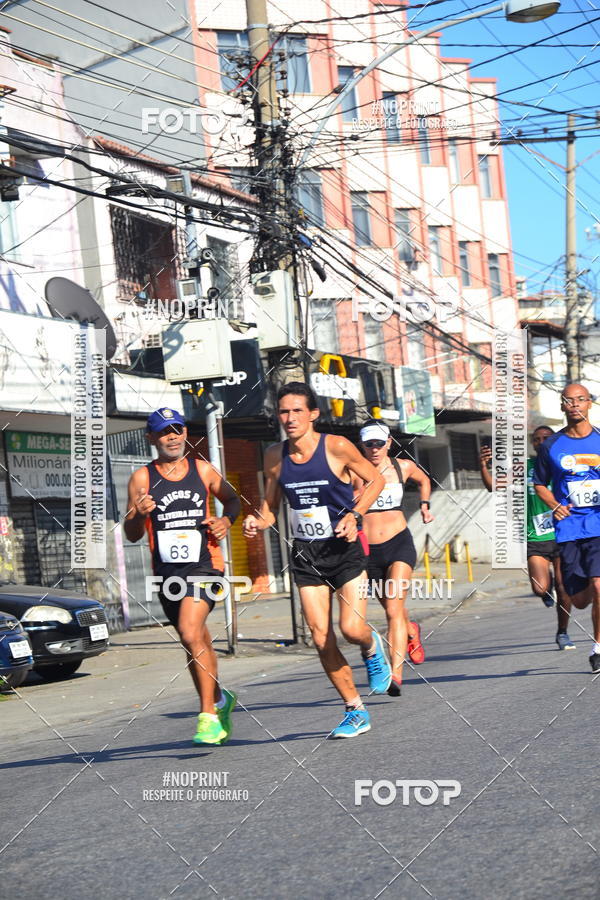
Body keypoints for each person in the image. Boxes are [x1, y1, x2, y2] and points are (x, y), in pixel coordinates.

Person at [242, 382, 390, 739]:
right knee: (321, 637)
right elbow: (271, 507)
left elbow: (375, 481)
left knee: (351, 629)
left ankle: (371, 646)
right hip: (306, 555)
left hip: (343, 549)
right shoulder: (274, 456)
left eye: (296, 411)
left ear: (312, 414)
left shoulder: (336, 447)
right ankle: (354, 709)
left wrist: (354, 515)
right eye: (283, 412)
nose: (289, 418)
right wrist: (256, 521)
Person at [124, 407, 241, 744]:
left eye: (177, 429)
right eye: (164, 431)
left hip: (206, 566)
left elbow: (232, 500)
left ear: (186, 434)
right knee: (195, 640)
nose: (172, 436)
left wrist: (225, 522)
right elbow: (132, 533)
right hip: (167, 573)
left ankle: (206, 716)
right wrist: (138, 515)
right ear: (151, 438)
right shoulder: (142, 479)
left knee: (190, 632)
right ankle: (219, 700)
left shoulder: (202, 470)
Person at [354, 420, 433, 697]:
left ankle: (395, 675)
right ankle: (411, 630)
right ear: (361, 445)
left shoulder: (403, 466)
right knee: (393, 607)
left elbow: (424, 480)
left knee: (391, 611)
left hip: (399, 544)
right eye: (368, 444)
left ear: (388, 442)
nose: (374, 449)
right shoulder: (355, 471)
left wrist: (425, 505)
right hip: (368, 552)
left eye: (379, 443)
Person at [479, 429, 574, 650]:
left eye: (545, 439)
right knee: (540, 588)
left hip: (563, 533)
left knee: (564, 587)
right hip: (536, 536)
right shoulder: (525, 466)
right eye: (536, 440)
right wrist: (484, 465)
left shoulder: (565, 462)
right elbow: (494, 486)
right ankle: (545, 591)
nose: (540, 442)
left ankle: (562, 632)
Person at [533, 384, 600, 673]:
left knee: (599, 585)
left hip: (597, 525)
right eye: (569, 401)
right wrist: (554, 504)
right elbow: (538, 484)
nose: (575, 405)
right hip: (570, 529)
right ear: (562, 407)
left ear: (589, 404)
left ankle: (598, 647)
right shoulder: (552, 446)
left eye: (580, 400)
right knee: (581, 600)